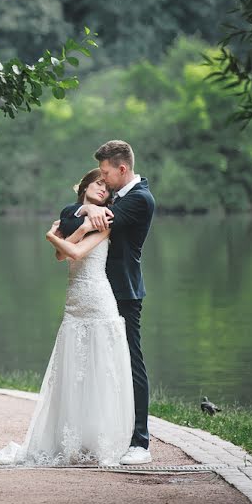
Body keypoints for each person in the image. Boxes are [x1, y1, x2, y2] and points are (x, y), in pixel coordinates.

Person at [0, 168, 134, 467]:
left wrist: (51, 236)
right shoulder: (77, 215)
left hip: (97, 297)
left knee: (99, 366)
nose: (103, 189)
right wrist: (68, 235)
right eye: (98, 184)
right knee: (74, 368)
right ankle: (73, 438)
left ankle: (100, 439)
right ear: (84, 187)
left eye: (107, 187)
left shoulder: (104, 219)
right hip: (74, 298)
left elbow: (75, 254)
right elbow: (62, 256)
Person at [79, 140, 156, 465]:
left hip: (123, 292)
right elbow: (76, 217)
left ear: (122, 169)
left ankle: (140, 442)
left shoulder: (139, 199)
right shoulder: (118, 196)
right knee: (100, 364)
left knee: (130, 362)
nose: (104, 178)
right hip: (98, 291)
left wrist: (88, 208)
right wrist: (86, 206)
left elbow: (103, 221)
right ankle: (107, 432)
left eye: (107, 172)